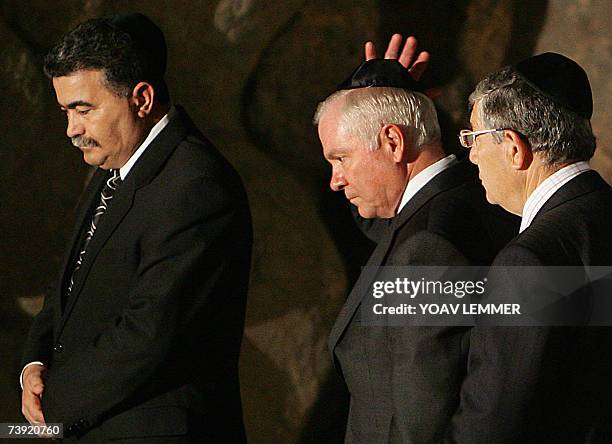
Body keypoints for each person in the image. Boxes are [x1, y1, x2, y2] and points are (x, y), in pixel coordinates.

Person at [19, 13, 252, 442]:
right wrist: (34, 364)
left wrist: (53, 406)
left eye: (83, 109)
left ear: (141, 99)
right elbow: (71, 281)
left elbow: (150, 332)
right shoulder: (113, 166)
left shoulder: (197, 185)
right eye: (65, 111)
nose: (72, 130)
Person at [313, 39, 518, 442]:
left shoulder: (428, 247)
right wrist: (371, 88)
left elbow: (423, 418)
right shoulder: (468, 197)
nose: (335, 181)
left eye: (341, 158)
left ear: (393, 141)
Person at [449, 52, 612, 443]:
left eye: (472, 137)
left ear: (513, 146)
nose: (470, 155)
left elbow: (493, 426)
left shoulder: (529, 261)